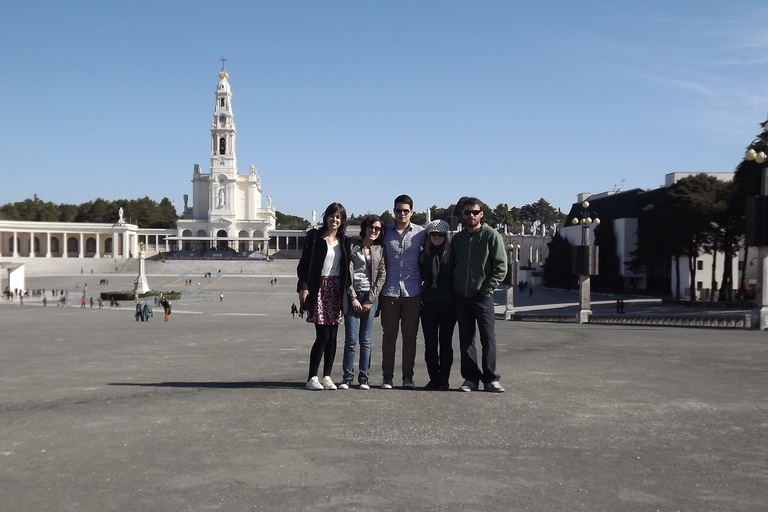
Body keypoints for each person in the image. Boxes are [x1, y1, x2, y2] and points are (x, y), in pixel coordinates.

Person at [451, 197, 507, 393]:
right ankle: (470, 379)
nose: (471, 216)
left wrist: (487, 290)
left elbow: (501, 267)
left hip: (482, 297)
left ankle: (491, 378)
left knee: (488, 338)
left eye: (475, 212)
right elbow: (450, 266)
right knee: (466, 339)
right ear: (463, 215)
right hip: (461, 296)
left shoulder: (491, 236)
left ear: (481, 214)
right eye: (467, 212)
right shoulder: (457, 239)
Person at [296, 202, 351, 391]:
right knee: (323, 335)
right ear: (325, 217)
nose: (334, 220)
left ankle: (327, 376)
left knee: (334, 335)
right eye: (331, 216)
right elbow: (303, 265)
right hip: (319, 288)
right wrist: (303, 287)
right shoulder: (314, 237)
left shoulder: (344, 240)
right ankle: (312, 377)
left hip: (336, 289)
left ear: (342, 220)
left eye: (338, 217)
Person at [379, 194, 427, 390]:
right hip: (389, 291)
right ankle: (387, 377)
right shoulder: (384, 232)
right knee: (389, 335)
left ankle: (408, 377)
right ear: (394, 211)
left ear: (412, 212)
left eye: (405, 211)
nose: (402, 214)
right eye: (398, 210)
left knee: (410, 336)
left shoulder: (421, 233)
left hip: (413, 291)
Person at [339, 214, 386, 390]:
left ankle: (364, 378)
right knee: (351, 339)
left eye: (377, 228)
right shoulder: (351, 244)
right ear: (364, 228)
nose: (373, 230)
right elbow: (345, 273)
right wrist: (352, 297)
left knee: (365, 339)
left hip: (369, 296)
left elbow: (382, 275)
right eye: (370, 227)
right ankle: (347, 377)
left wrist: (370, 299)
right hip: (352, 295)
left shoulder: (379, 249)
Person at [419, 219, 456, 391]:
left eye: (441, 235)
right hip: (429, 305)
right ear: (428, 236)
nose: (437, 237)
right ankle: (433, 378)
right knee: (430, 344)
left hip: (448, 304)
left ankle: (444, 380)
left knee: (446, 343)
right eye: (433, 234)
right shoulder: (423, 255)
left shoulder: (452, 254)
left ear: (446, 236)